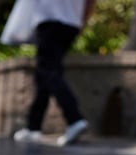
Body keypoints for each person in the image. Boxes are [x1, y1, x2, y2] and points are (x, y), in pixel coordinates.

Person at [9, 0, 96, 146]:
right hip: (71, 23)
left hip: (51, 21)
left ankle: (74, 118)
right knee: (46, 73)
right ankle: (33, 127)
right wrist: (82, 21)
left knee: (47, 71)